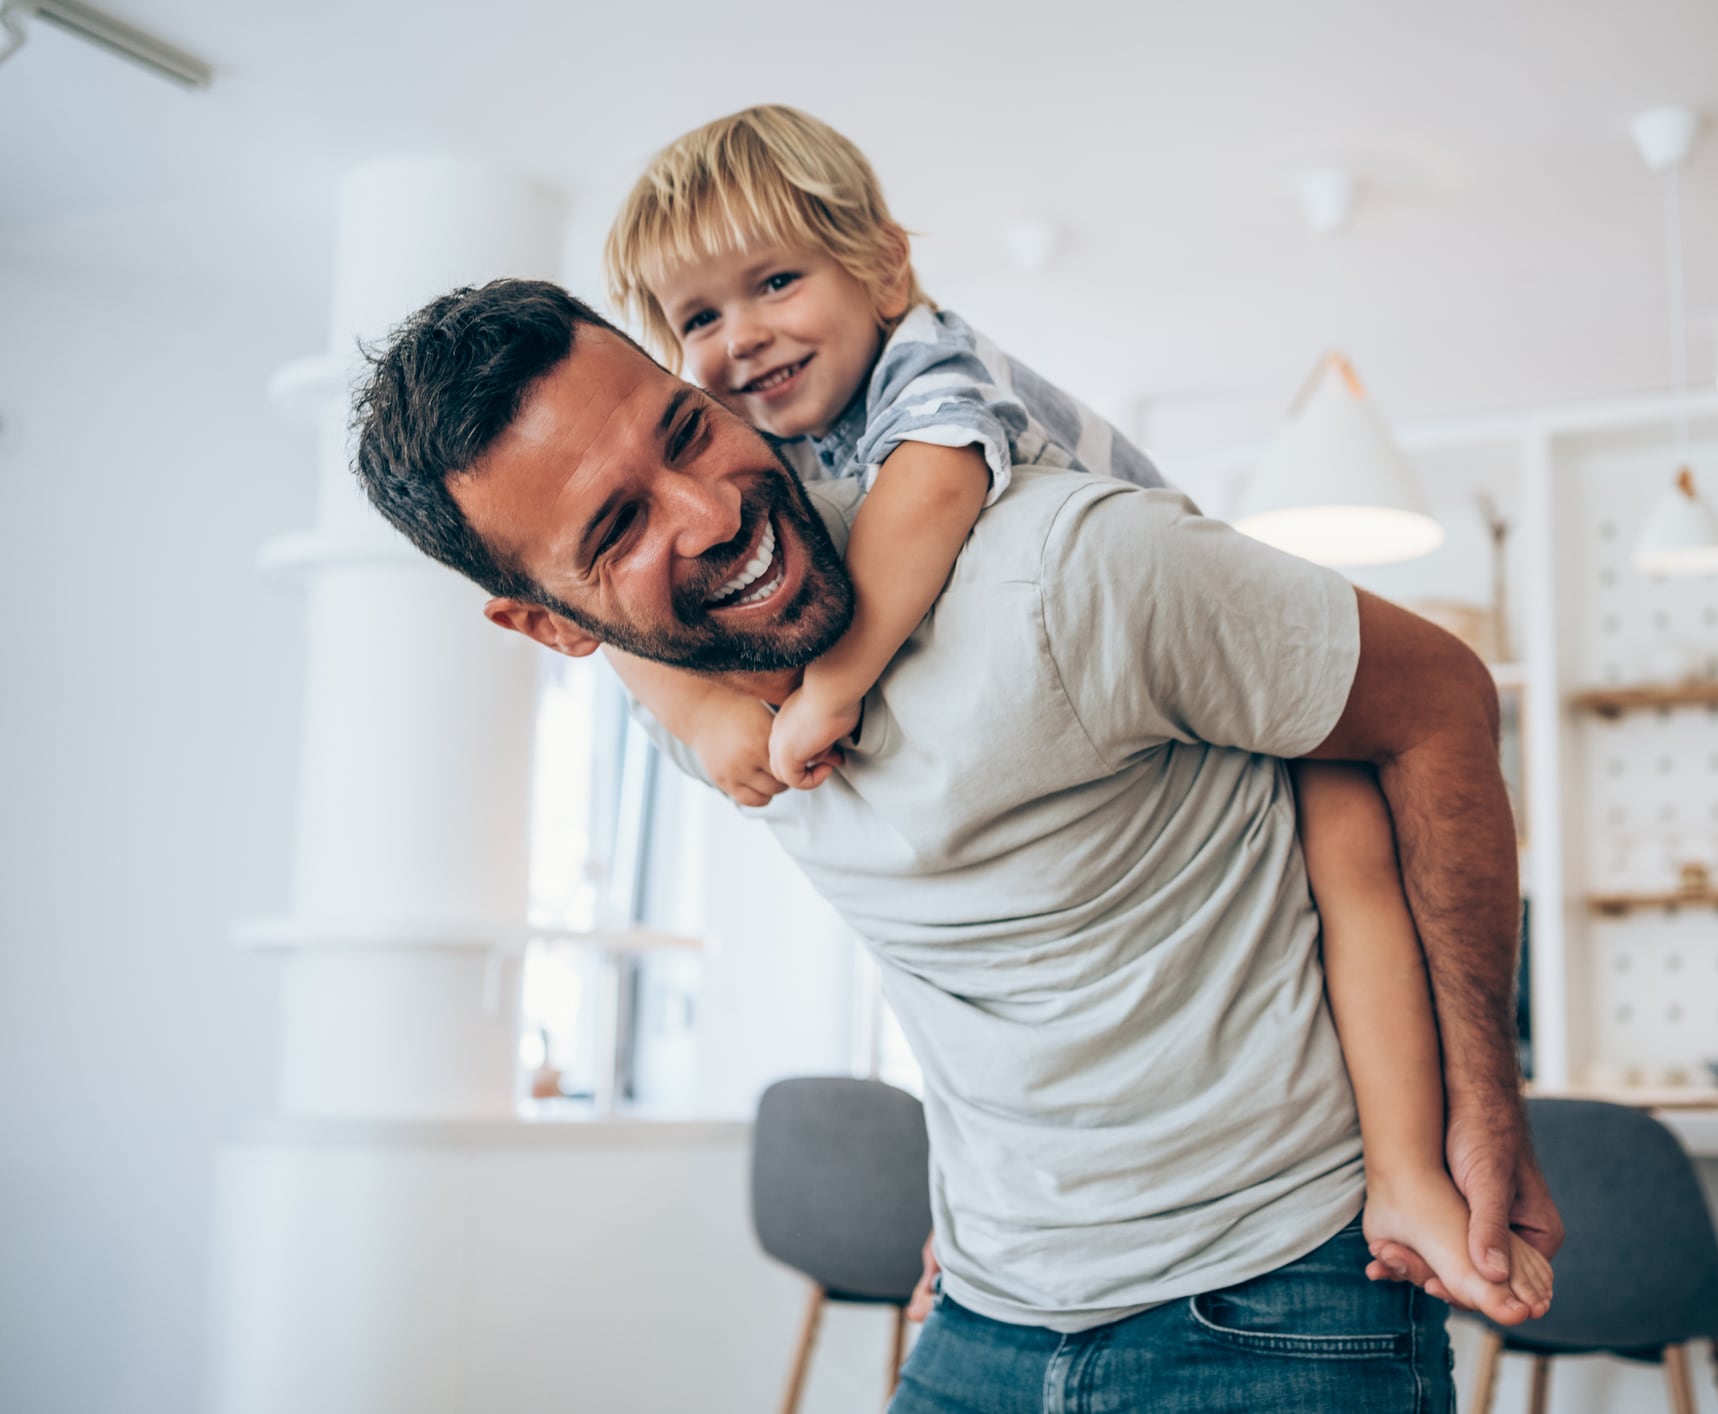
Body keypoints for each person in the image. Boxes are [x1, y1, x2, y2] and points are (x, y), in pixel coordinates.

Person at [350, 279, 1559, 1411]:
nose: (715, 510)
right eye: (618, 528)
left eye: (684, 430)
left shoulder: (1071, 570)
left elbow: (1442, 700)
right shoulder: (689, 708)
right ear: (550, 626)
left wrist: (1485, 1110)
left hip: (1284, 1299)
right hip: (981, 1313)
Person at [597, 104, 1551, 1321]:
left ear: (884, 266)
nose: (744, 336)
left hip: (1247, 704)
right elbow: (606, 621)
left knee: (1355, 889)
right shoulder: (767, 452)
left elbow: (934, 494)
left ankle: (1409, 1175)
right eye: (700, 317)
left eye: (776, 280)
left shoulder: (926, 359)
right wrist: (703, 719)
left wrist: (830, 690)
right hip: (1030, 1231)